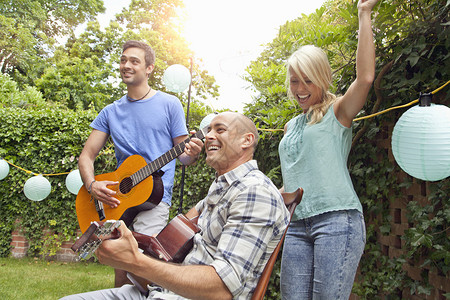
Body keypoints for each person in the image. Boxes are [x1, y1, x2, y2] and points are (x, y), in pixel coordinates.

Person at [62, 112, 290, 300]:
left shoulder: (254, 192)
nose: (208, 136)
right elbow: (169, 244)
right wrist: (127, 239)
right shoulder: (222, 187)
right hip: (162, 291)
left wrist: (134, 261)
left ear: (246, 140)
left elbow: (222, 289)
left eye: (219, 130)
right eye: (208, 130)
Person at [78, 40, 202, 287]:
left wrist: (194, 152)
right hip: (117, 197)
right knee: (120, 266)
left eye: (134, 61)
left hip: (154, 196)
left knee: (144, 268)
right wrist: (92, 186)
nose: (127, 65)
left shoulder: (169, 104)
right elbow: (86, 156)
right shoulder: (110, 112)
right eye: (124, 60)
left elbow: (184, 156)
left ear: (149, 68)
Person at [278, 0, 379, 299]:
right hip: (296, 225)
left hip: (337, 220)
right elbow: (293, 178)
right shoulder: (289, 127)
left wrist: (364, 13)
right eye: (295, 80)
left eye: (308, 80)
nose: (300, 88)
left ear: (321, 78)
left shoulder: (338, 112)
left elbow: (365, 78)